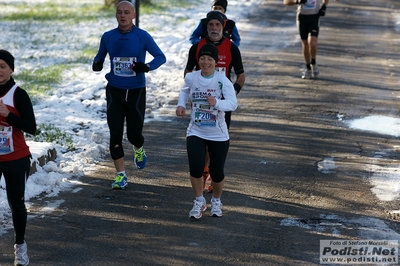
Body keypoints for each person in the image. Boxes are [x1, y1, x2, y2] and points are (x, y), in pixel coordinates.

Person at [92, 0, 166, 189]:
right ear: (116, 15)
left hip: (135, 91)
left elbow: (160, 57)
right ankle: (120, 175)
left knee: (134, 135)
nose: (123, 16)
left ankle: (138, 147)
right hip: (115, 90)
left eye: (126, 12)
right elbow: (100, 55)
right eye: (119, 12)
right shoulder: (108, 36)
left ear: (133, 15)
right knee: (115, 133)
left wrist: (147, 67)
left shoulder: (142, 36)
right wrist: (97, 62)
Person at [185, 10, 245, 192]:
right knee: (199, 141)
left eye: (217, 25)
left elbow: (241, 76)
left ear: (223, 26)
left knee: (215, 144)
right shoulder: (197, 47)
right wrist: (190, 93)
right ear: (206, 26)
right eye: (210, 25)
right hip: (201, 105)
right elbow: (187, 73)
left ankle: (213, 173)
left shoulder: (232, 48)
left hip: (220, 107)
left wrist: (230, 94)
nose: (213, 28)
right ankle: (203, 173)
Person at [176, 43, 237, 219]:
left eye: (209, 59)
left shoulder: (222, 80)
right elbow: (184, 90)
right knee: (195, 168)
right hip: (196, 130)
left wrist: (217, 103)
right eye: (202, 58)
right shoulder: (192, 77)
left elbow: (233, 104)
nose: (205, 62)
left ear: (215, 62)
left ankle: (216, 201)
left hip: (218, 133)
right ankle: (199, 201)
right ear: (198, 60)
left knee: (217, 172)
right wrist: (181, 105)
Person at [0, 49, 37, 266]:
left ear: (11, 69)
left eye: (2, 66)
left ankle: (20, 247)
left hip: (16, 158)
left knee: (16, 205)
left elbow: (32, 128)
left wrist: (9, 115)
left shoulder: (18, 94)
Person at [283, 0, 329, 79]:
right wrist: (296, 1)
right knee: (305, 44)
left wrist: (324, 6)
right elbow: (286, 2)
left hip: (314, 17)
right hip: (302, 17)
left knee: (312, 43)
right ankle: (307, 67)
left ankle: (313, 63)